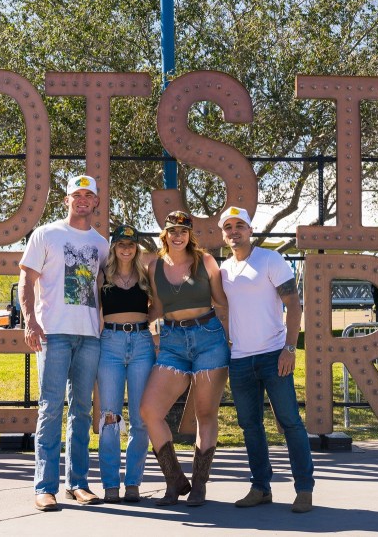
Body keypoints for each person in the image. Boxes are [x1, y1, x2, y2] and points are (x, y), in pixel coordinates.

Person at [19, 174, 109, 512]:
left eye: (89, 195)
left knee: (82, 411)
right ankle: (44, 487)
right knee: (51, 408)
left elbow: (104, 289)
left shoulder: (101, 244)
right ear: (66, 200)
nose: (83, 200)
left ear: (96, 202)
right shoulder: (46, 234)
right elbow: (26, 279)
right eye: (77, 195)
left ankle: (78, 484)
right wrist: (30, 322)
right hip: (52, 334)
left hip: (89, 337)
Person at [219, 207, 315, 514]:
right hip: (240, 359)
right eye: (229, 227)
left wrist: (290, 348)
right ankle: (261, 487)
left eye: (240, 226)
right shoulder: (223, 270)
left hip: (274, 355)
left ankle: (304, 489)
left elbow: (293, 304)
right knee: (250, 426)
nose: (234, 231)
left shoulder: (270, 259)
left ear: (250, 230)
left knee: (290, 423)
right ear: (224, 234)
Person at [140, 210, 229, 507]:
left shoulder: (205, 261)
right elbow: (158, 307)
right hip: (172, 343)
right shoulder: (154, 266)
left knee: (205, 413)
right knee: (149, 410)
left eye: (183, 231)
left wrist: (232, 338)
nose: (178, 235)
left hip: (209, 338)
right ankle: (175, 480)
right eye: (173, 230)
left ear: (190, 235)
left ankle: (200, 485)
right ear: (165, 234)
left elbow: (222, 302)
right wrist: (134, 326)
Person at [96, 224, 156, 504]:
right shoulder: (102, 275)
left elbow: (159, 304)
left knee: (140, 418)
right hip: (110, 343)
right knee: (110, 417)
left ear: (136, 248)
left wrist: (147, 322)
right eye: (121, 244)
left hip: (142, 343)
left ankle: (133, 482)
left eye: (131, 244)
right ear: (114, 247)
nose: (126, 248)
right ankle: (110, 484)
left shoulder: (145, 274)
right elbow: (94, 307)